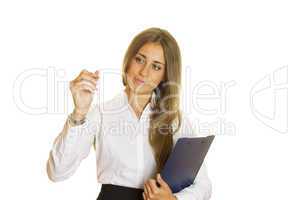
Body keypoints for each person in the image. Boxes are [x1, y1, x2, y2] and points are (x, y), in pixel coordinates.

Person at [46, 27, 212, 200]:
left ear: (165, 75)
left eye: (156, 66)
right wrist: (79, 113)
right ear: (128, 60)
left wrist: (173, 199)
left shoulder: (176, 120)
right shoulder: (101, 114)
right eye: (140, 60)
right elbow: (57, 172)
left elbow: (203, 185)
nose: (144, 72)